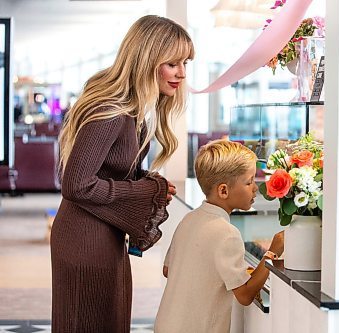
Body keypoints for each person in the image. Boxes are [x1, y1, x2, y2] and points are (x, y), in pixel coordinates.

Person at [50, 15, 194, 333]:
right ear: (148, 58)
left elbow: (109, 170)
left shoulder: (130, 110)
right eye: (173, 63)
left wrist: (147, 182)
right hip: (85, 238)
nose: (182, 73)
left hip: (100, 233)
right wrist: (144, 190)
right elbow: (76, 184)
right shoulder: (111, 110)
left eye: (185, 63)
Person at [154, 140, 284, 333]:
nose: (255, 188)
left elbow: (168, 269)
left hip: (166, 325)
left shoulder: (189, 218)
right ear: (223, 190)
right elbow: (245, 295)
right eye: (248, 182)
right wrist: (272, 252)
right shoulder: (227, 233)